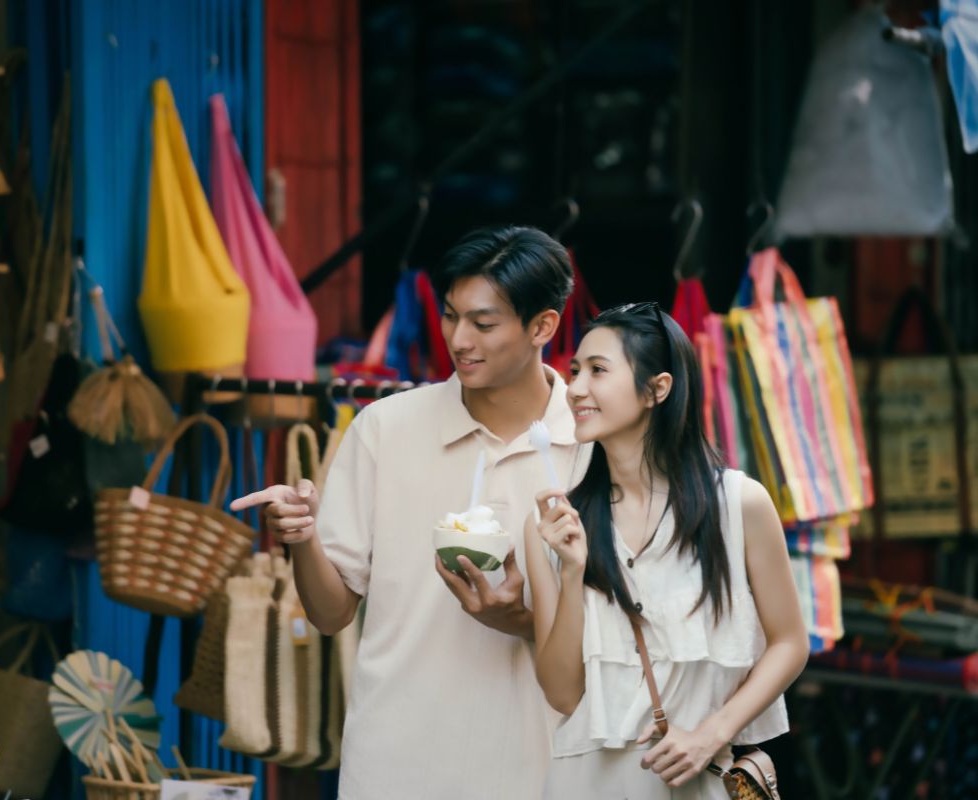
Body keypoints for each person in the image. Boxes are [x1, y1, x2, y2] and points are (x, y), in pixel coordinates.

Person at [231, 226, 590, 800]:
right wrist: (302, 538)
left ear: (542, 326)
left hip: (552, 770)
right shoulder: (385, 428)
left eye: (484, 322)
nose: (459, 339)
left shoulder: (594, 443)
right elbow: (331, 613)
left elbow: (636, 631)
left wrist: (522, 620)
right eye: (451, 316)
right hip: (398, 765)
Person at [525, 302, 809, 799]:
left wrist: (711, 735)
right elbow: (563, 694)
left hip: (696, 779)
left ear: (657, 388)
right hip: (585, 783)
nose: (574, 389)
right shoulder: (554, 526)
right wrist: (573, 573)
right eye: (574, 371)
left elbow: (789, 643)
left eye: (598, 371)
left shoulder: (737, 505)